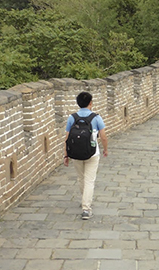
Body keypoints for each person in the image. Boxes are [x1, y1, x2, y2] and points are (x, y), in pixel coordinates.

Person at [64, 91, 108, 220]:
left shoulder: (72, 117)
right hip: (92, 152)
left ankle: (85, 199)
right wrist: (105, 149)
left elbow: (66, 138)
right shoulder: (96, 117)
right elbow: (104, 137)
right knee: (90, 180)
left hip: (76, 153)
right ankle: (86, 208)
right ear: (90, 103)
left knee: (81, 178)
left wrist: (66, 155)